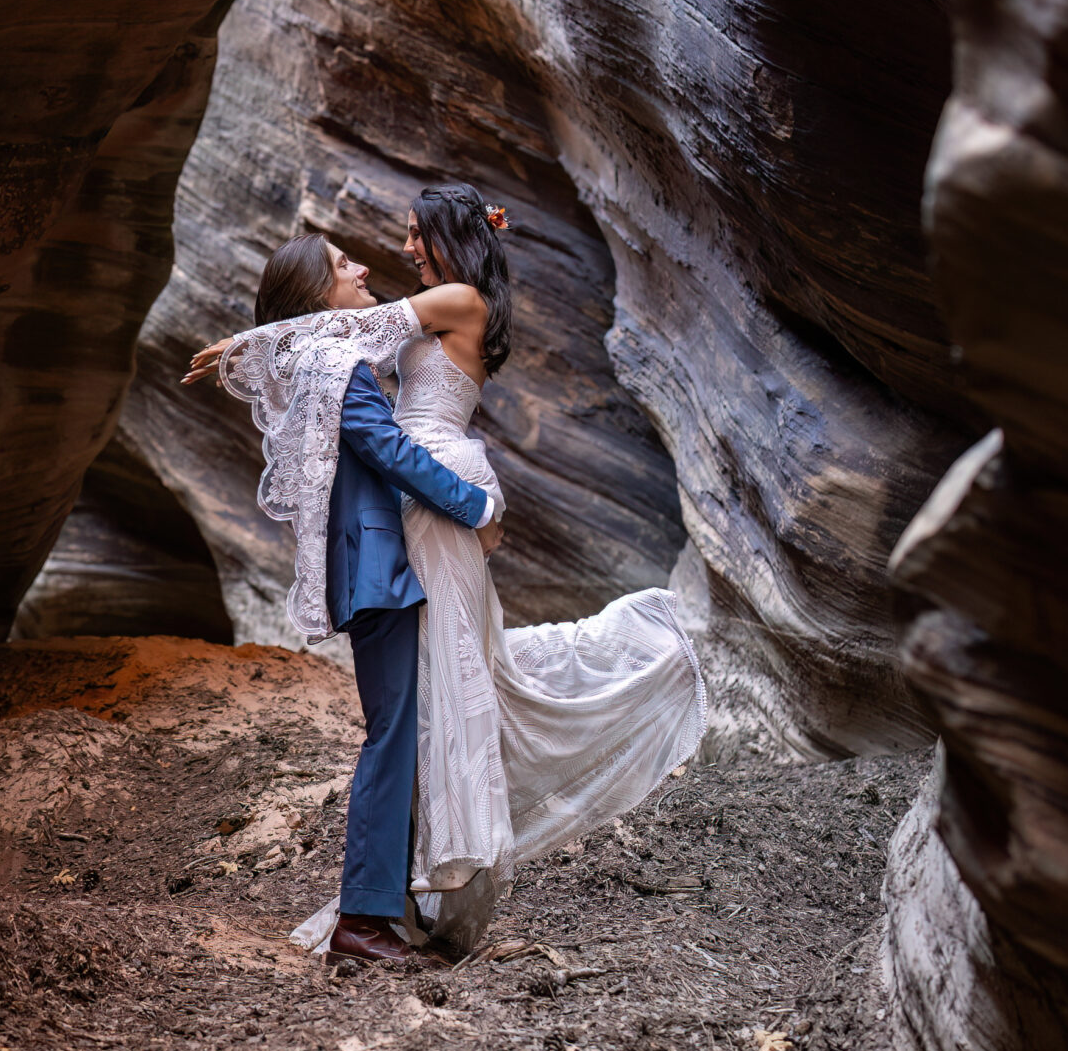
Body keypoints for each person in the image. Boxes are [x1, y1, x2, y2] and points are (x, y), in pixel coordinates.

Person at [189, 187, 706, 958]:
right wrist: (261, 339)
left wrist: (256, 338)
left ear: (442, 235)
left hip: (436, 493)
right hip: (416, 511)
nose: (392, 251)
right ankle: (380, 908)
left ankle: (382, 906)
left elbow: (360, 332)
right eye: (349, 258)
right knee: (414, 716)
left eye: (410, 234)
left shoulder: (454, 300)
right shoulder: (384, 336)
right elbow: (350, 342)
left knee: (427, 705)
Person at [227, 233, 502, 968]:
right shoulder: (337, 363)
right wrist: (474, 506)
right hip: (378, 566)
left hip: (374, 565)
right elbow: (387, 449)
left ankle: (387, 908)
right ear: (320, 294)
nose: (361, 270)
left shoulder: (321, 354)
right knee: (391, 739)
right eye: (343, 264)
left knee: (399, 734)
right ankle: (363, 923)